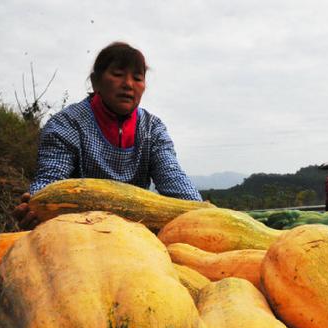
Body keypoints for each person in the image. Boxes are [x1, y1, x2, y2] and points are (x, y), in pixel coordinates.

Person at [12, 42, 202, 229]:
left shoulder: (153, 129)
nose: (128, 84)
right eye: (118, 75)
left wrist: (204, 214)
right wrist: (36, 202)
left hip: (137, 232)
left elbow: (173, 176)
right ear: (96, 82)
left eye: (137, 78)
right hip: (76, 232)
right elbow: (51, 177)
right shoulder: (67, 123)